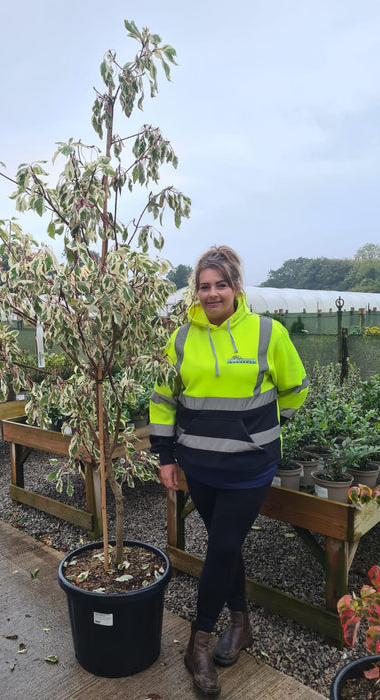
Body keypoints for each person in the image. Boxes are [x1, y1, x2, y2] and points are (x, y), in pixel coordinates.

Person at [149, 245, 308, 697]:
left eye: (222, 284)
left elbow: (294, 389)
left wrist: (261, 431)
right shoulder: (180, 339)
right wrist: (165, 456)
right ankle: (241, 623)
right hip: (198, 465)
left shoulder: (266, 333)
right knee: (227, 546)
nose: (213, 293)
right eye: (204, 286)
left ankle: (198, 640)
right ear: (194, 292)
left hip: (248, 467)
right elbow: (163, 400)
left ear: (237, 288)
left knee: (219, 547)